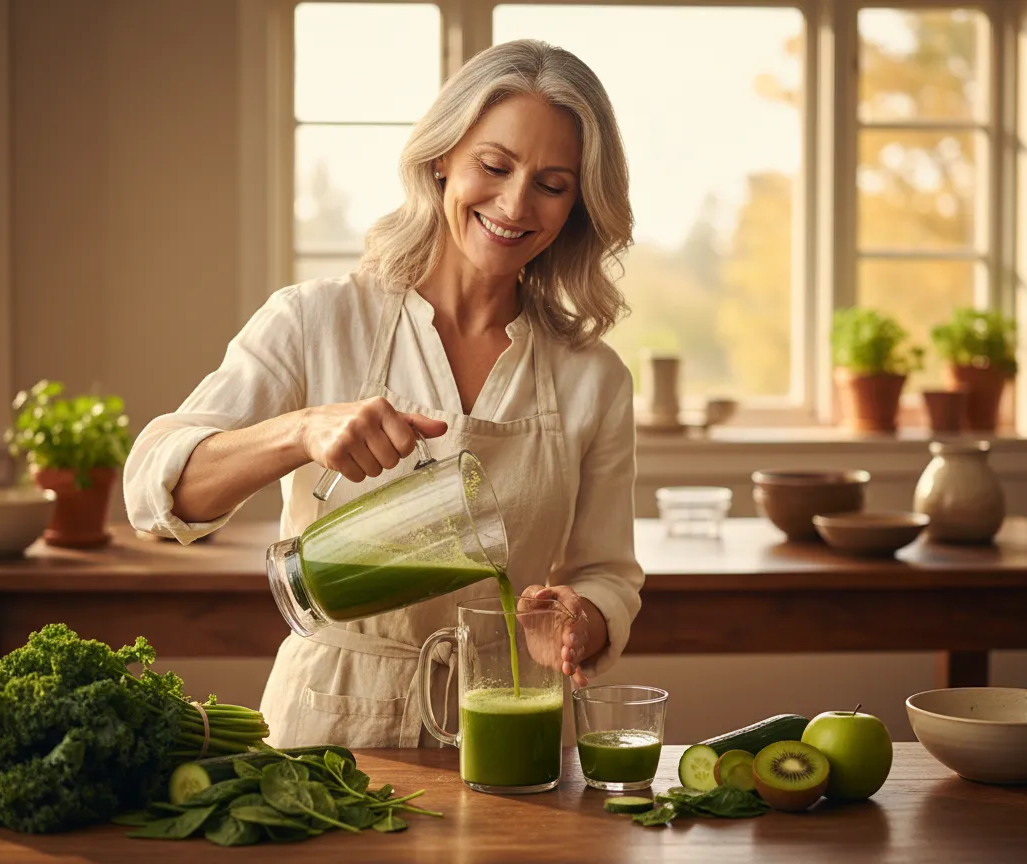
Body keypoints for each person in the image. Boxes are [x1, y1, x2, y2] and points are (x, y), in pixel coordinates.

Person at [124, 39, 644, 748]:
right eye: (494, 166)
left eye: (551, 185)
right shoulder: (316, 319)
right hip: (329, 720)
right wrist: (301, 432)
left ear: (577, 204)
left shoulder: (595, 377)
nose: (515, 203)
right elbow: (155, 492)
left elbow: (607, 571)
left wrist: (582, 619)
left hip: (508, 731)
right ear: (442, 159)